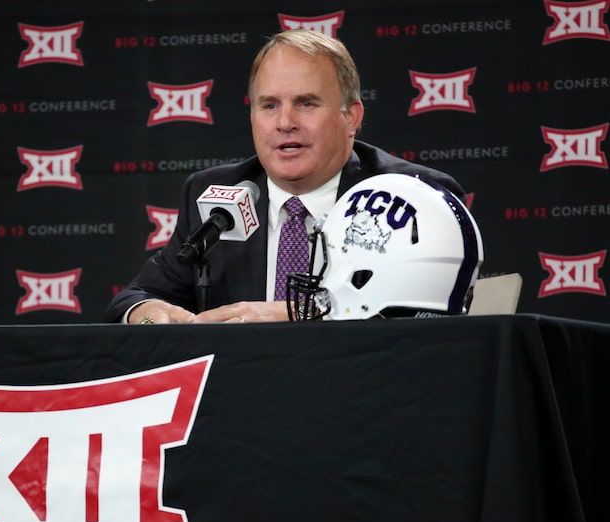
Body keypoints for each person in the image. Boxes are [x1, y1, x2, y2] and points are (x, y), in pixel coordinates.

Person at [105, 28, 465, 324]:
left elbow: (423, 315)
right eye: (269, 105)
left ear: (351, 117)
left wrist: (294, 315)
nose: (284, 123)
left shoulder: (413, 196)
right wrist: (153, 315)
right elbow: (137, 298)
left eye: (306, 103)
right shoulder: (215, 195)